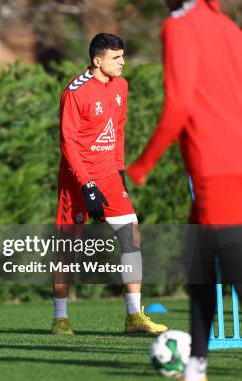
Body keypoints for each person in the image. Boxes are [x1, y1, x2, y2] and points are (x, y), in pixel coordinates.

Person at [127, 1, 242, 380]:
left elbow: (179, 102)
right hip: (229, 166)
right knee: (198, 270)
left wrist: (143, 164)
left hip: (217, 172)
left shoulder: (179, 26)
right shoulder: (228, 27)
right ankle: (196, 365)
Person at [53, 33, 168, 335]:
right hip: (77, 180)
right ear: (97, 60)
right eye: (116, 57)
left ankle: (133, 317)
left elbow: (117, 131)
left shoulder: (121, 86)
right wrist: (86, 183)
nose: (123, 62)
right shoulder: (75, 92)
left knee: (132, 237)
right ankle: (60, 317)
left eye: (122, 56)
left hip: (109, 177)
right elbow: (68, 142)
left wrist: (119, 171)